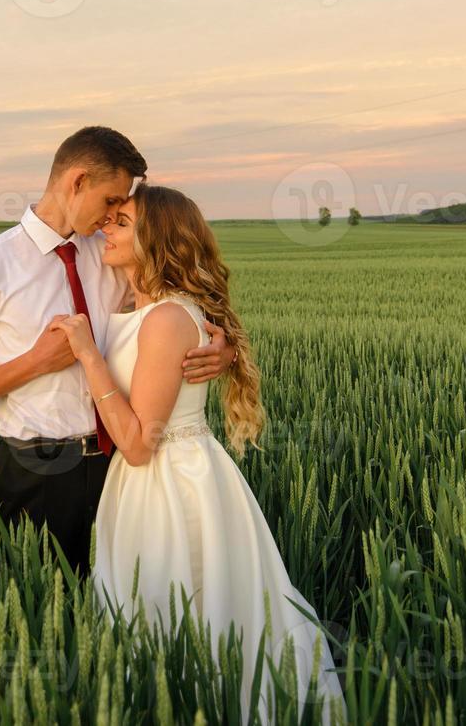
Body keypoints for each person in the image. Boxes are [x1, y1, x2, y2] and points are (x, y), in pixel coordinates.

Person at [51, 183, 344, 723]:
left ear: (155, 237)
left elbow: (139, 444)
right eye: (107, 220)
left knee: (185, 611)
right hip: (158, 480)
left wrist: (87, 353)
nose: (104, 230)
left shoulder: (165, 318)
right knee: (177, 612)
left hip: (170, 484)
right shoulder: (138, 304)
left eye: (120, 223)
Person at [0, 126, 236, 575]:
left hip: (125, 472)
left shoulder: (110, 254)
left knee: (119, 616)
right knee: (36, 619)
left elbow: (177, 304)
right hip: (39, 473)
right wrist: (36, 361)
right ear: (78, 181)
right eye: (111, 201)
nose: (113, 218)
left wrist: (221, 350)